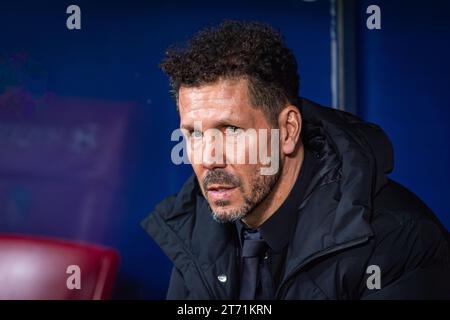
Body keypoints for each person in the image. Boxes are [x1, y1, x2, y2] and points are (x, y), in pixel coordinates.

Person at [141, 20, 450, 299]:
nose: (208, 158)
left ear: (287, 131)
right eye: (194, 133)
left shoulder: (400, 240)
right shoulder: (193, 230)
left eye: (231, 130)